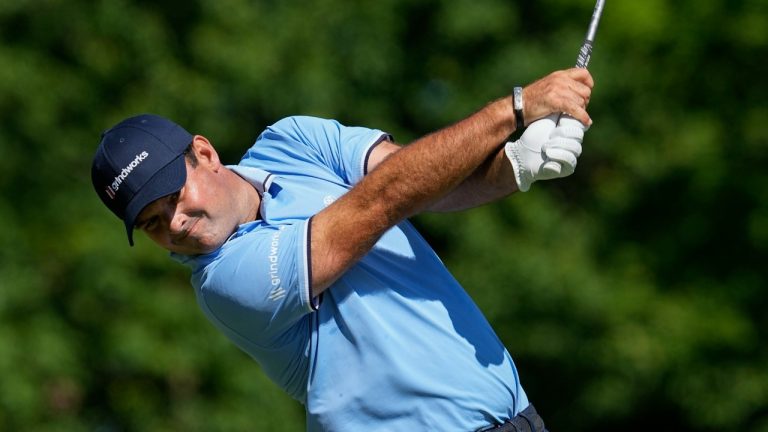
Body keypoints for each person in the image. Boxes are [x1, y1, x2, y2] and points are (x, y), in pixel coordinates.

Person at [91, 67, 593, 432]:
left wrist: (516, 165)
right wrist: (515, 109)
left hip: (518, 415)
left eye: (174, 198)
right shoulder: (223, 282)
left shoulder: (291, 142)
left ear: (204, 153)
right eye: (153, 224)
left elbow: (425, 179)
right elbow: (384, 200)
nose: (175, 224)